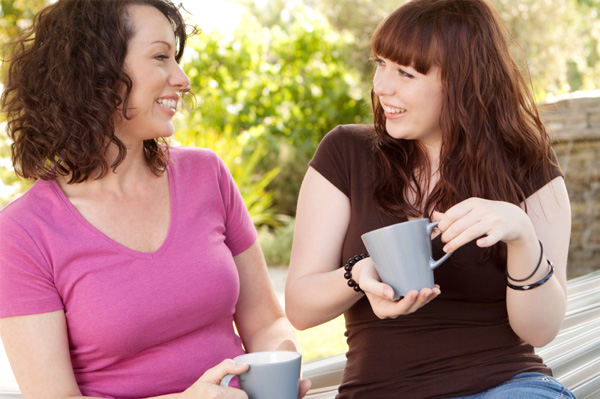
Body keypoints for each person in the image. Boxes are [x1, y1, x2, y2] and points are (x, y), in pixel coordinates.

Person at [0, 1, 310, 398]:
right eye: (161, 56)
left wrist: (280, 369)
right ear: (94, 71)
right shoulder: (25, 232)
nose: (182, 78)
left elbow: (266, 322)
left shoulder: (206, 174)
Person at [285, 0, 574, 398]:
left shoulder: (528, 166)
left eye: (405, 72)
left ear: (464, 81)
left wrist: (522, 236)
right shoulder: (345, 153)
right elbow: (300, 308)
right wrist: (360, 273)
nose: (382, 86)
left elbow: (540, 331)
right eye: (381, 64)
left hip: (505, 386)